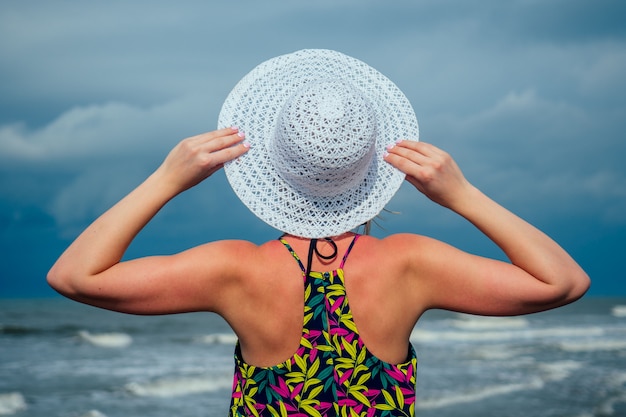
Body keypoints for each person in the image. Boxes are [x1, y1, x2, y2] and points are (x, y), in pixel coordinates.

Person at [47, 49, 590, 417]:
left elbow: (74, 276)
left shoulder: (236, 270)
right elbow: (561, 282)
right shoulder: (410, 264)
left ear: (271, 167)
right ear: (371, 166)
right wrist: (462, 195)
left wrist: (166, 180)